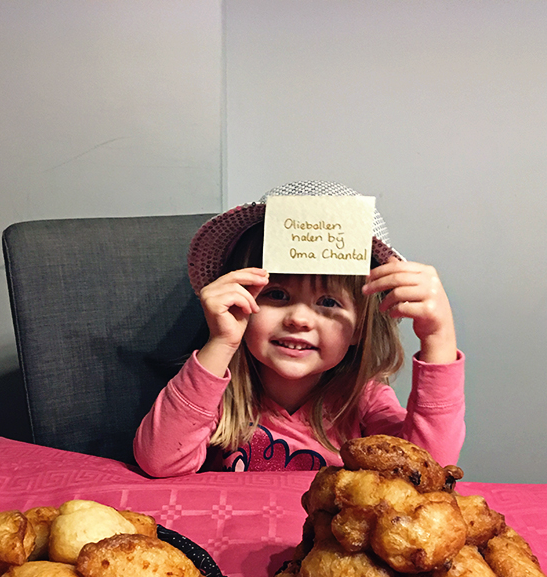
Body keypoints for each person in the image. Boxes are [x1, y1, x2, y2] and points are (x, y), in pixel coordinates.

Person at [133, 181, 464, 477]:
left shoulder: (363, 401)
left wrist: (438, 339)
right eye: (277, 295)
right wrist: (221, 341)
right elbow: (158, 461)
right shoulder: (220, 394)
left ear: (361, 329)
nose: (299, 319)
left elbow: (427, 472)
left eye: (329, 303)